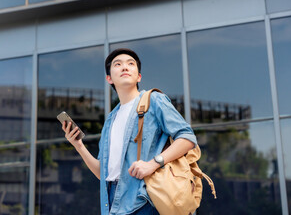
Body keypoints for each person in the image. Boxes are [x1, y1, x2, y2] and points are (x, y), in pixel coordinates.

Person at [62, 48, 197, 215]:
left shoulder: (153, 100)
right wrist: (78, 145)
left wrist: (153, 163)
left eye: (130, 64)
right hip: (112, 204)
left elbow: (187, 137)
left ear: (138, 76)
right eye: (118, 64)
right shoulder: (111, 119)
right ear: (109, 78)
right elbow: (102, 173)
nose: (125, 67)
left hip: (143, 201)